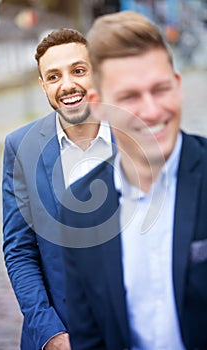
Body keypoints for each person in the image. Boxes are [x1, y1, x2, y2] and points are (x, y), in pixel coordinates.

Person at [60, 11, 207, 350]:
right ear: (97, 106)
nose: (153, 110)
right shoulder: (79, 211)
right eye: (130, 98)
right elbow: (89, 338)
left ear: (178, 85)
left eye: (161, 89)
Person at [2, 28, 114, 350]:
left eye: (79, 70)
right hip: (62, 335)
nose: (67, 85)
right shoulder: (20, 147)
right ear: (42, 85)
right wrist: (50, 334)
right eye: (53, 76)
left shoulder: (137, 138)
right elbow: (20, 251)